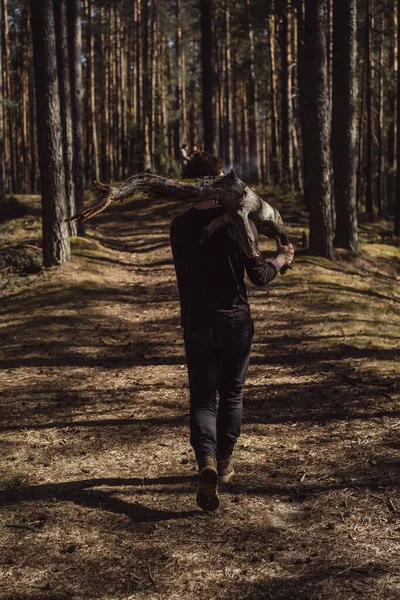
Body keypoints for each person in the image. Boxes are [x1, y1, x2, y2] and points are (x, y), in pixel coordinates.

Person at [170, 153, 294, 512]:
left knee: (203, 398)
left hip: (196, 324)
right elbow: (259, 277)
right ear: (220, 180)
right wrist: (281, 261)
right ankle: (223, 463)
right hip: (236, 323)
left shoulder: (178, 226)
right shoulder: (239, 224)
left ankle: (205, 461)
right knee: (232, 395)